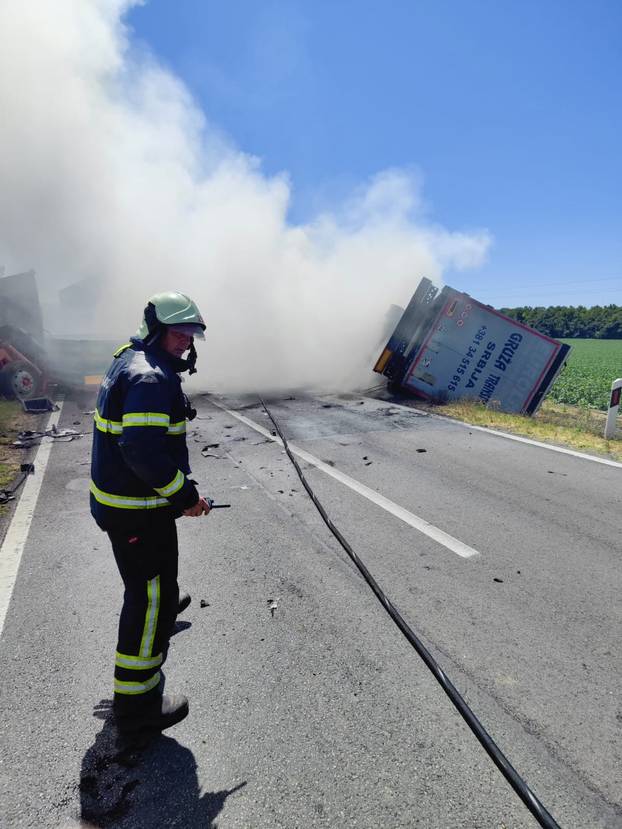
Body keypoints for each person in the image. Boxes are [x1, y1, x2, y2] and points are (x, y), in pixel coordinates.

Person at [90, 291, 211, 739]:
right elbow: (142, 450)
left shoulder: (129, 358)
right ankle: (138, 706)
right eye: (180, 332)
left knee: (151, 592)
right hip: (138, 514)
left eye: (192, 333)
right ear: (157, 329)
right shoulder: (150, 379)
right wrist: (185, 496)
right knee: (149, 602)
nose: (186, 341)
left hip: (124, 505)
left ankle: (136, 694)